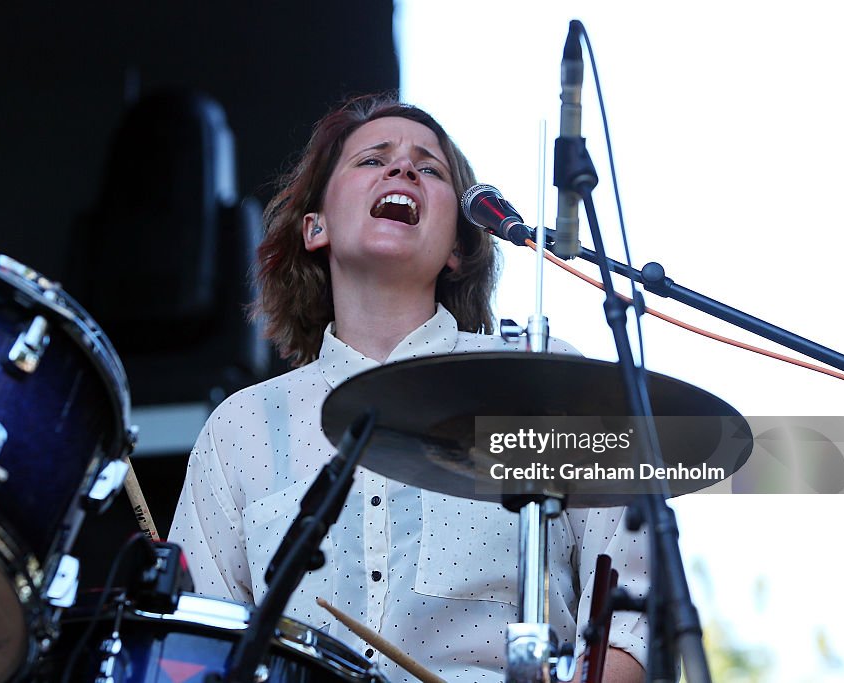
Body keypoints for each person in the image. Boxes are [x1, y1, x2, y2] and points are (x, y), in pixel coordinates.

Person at [170, 94, 648, 683]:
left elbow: (636, 625)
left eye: (431, 167)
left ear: (455, 246)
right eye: (372, 160)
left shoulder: (542, 377)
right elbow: (192, 653)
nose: (403, 170)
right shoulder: (240, 429)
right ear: (314, 227)